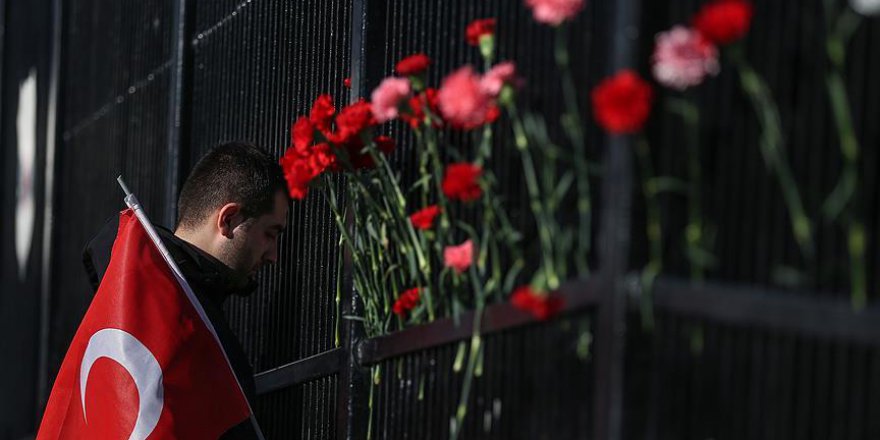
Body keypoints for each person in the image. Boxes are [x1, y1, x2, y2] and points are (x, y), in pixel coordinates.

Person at [82, 141, 289, 438]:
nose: (273, 255)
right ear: (228, 220)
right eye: (270, 234)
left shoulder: (126, 301)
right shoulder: (189, 329)